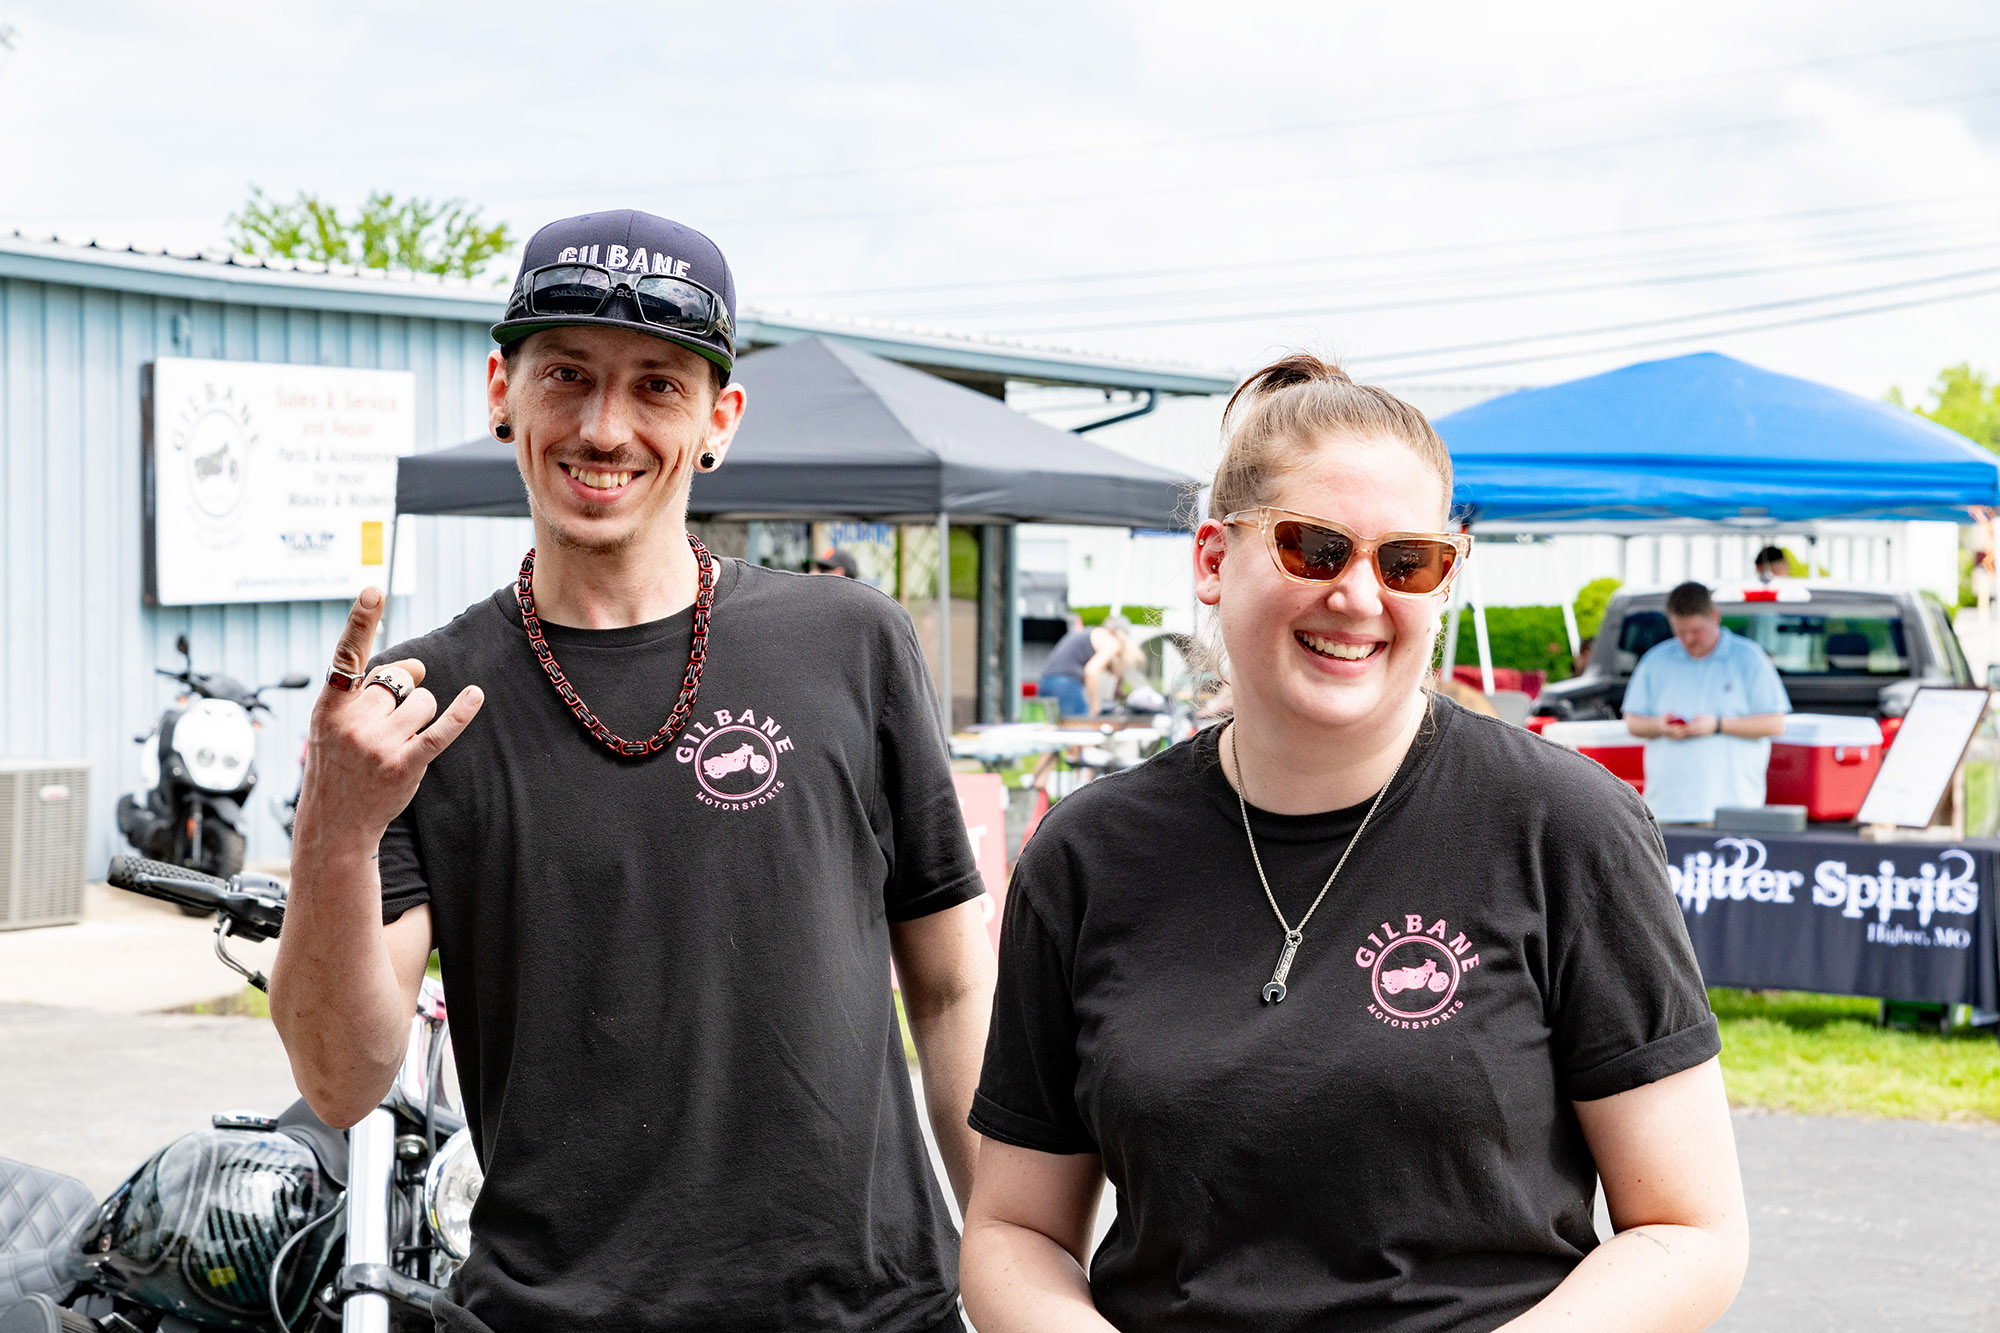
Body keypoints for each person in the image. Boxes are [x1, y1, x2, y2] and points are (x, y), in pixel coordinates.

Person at [272, 209, 996, 1333]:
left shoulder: (852, 642)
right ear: (499, 390)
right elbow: (340, 1080)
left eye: (657, 385)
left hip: (872, 1313)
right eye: (567, 374)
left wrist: (1009, 1270)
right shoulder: (415, 704)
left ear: (719, 419)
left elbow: (950, 992)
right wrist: (339, 825)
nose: (604, 428)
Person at [961, 354, 1745, 1333]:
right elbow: (1012, 1230)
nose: (1360, 596)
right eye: (1314, 548)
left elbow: (1687, 1227)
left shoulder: (1563, 827)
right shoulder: (1088, 854)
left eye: (1406, 561)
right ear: (1211, 559)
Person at [1622, 581, 1790, 825]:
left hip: (1733, 807)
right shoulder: (1655, 660)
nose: (1688, 639)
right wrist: (1660, 726)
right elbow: (1633, 722)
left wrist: (1717, 725)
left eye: (1696, 630)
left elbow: (1775, 724)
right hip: (1666, 808)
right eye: (1680, 631)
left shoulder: (1749, 658)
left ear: (1715, 617)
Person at [1037, 616, 1141, 718]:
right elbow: (1091, 670)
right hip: (1065, 684)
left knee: (1058, 727)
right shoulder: (1112, 641)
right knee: (1080, 728)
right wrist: (1094, 704)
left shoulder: (1095, 633)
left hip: (1046, 682)